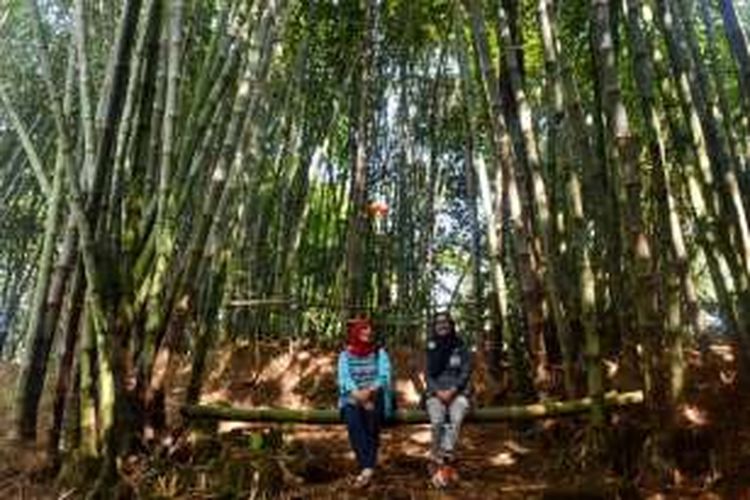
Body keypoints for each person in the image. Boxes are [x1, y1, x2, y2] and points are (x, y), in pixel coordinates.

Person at [337, 316, 393, 488]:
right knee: (353, 421)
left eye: (369, 329)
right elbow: (344, 379)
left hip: (374, 394)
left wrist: (368, 392)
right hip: (352, 396)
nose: (368, 332)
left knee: (372, 417)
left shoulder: (379, 352)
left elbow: (384, 376)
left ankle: (366, 469)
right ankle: (368, 466)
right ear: (355, 332)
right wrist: (358, 395)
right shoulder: (345, 355)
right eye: (363, 329)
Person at [424, 311, 472, 487]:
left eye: (445, 322)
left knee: (456, 418)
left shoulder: (461, 346)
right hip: (435, 394)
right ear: (434, 327)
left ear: (451, 325)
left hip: (458, 392)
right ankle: (442, 462)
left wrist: (453, 390)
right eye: (438, 323)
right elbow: (428, 375)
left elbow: (466, 371)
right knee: (437, 421)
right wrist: (438, 392)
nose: (442, 325)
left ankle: (440, 461)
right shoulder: (430, 347)